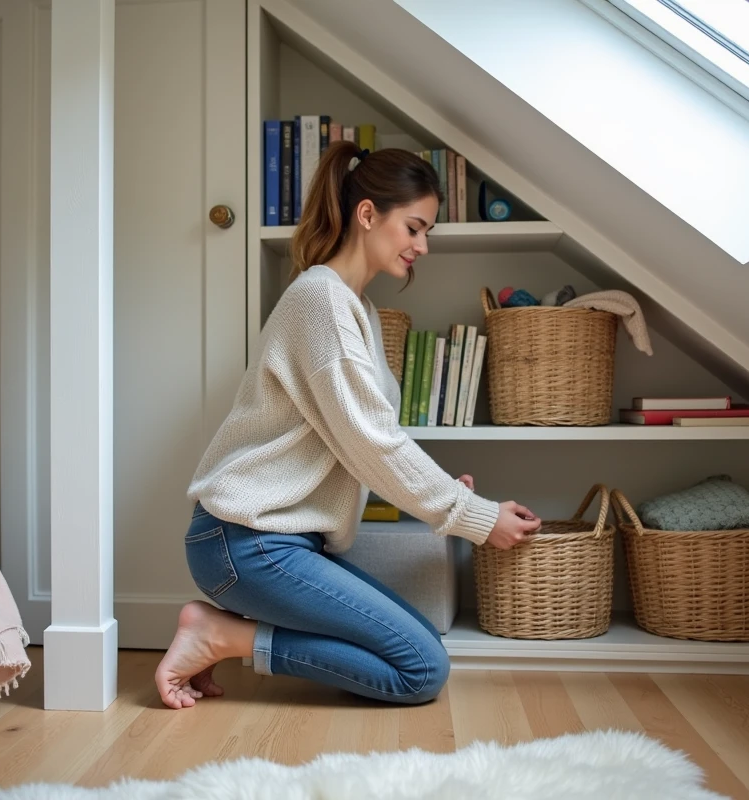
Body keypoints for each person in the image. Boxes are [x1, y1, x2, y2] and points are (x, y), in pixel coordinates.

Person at [154, 140, 542, 710]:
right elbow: (370, 441)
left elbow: (357, 445)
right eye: (414, 227)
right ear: (367, 215)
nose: (422, 245)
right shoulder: (320, 300)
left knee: (417, 647)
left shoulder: (353, 307)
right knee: (420, 671)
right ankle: (220, 636)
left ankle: (221, 632)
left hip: (284, 542)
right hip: (246, 541)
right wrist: (475, 519)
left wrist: (435, 494)